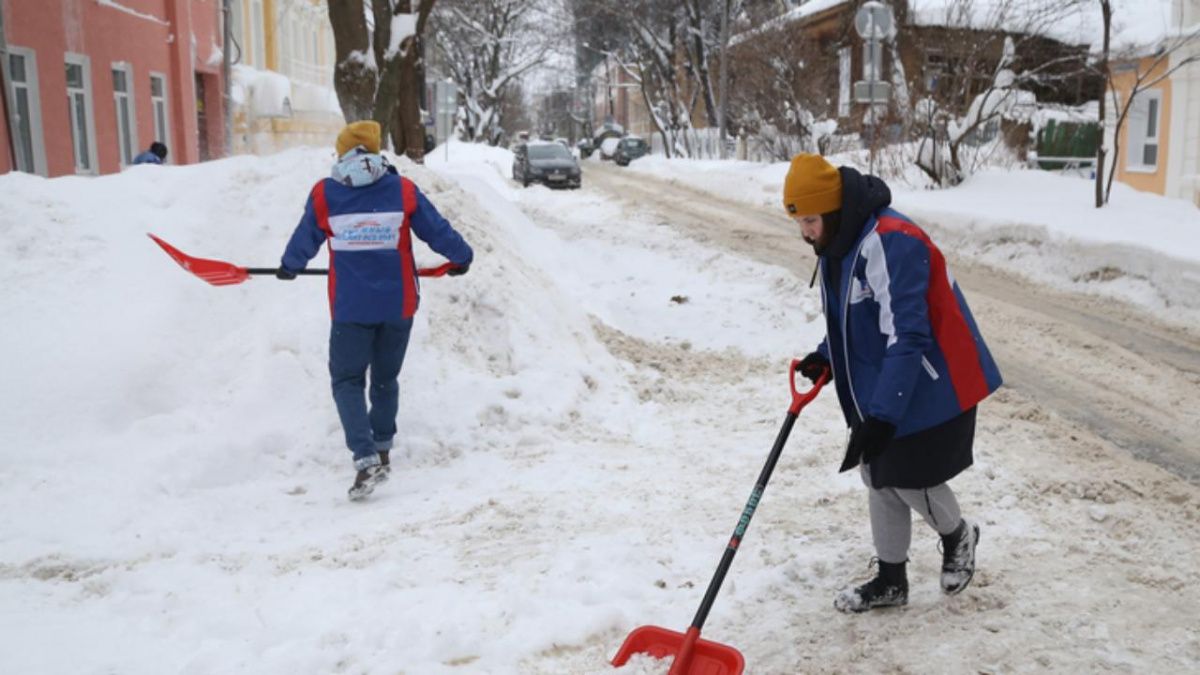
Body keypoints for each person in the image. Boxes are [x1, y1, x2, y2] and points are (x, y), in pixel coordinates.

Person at [785, 153, 1002, 613]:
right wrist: (826, 356)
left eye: (809, 219)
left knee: (908, 476)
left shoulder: (892, 240)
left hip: (935, 382)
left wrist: (883, 414)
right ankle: (891, 579)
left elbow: (908, 333)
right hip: (889, 378)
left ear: (832, 210)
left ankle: (959, 533)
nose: (804, 231)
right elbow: (852, 314)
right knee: (877, 475)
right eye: (799, 221)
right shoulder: (838, 247)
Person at [277, 120, 473, 501]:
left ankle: (365, 457)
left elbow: (305, 239)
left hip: (351, 308)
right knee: (385, 378)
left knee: (348, 380)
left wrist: (290, 265)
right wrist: (461, 257)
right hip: (398, 305)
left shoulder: (325, 195)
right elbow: (437, 230)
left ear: (343, 152)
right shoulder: (402, 190)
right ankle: (382, 449)